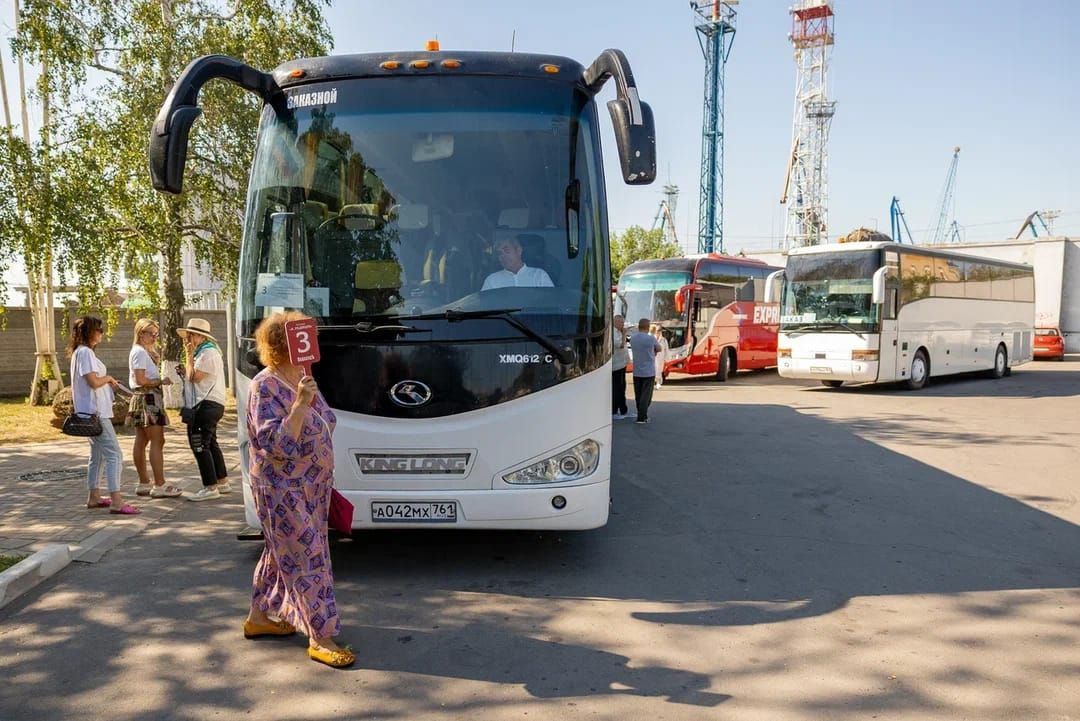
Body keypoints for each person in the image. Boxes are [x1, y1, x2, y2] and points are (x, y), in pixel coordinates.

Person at [244, 311, 354, 668]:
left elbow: (324, 423)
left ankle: (258, 618)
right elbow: (274, 444)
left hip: (312, 486)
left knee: (281, 552)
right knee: (308, 558)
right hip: (282, 489)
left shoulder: (301, 377)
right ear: (283, 344)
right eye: (302, 336)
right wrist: (300, 404)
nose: (312, 341)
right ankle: (320, 637)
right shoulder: (265, 385)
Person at [68, 316, 140, 515]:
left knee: (97, 456)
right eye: (99, 329)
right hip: (96, 413)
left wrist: (108, 383)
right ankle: (117, 501)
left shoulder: (80, 352)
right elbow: (93, 382)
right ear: (89, 332)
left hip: (89, 412)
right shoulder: (85, 352)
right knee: (115, 454)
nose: (102, 333)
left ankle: (94, 496)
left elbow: (91, 382)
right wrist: (107, 378)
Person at [128, 319, 182, 499]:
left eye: (156, 334)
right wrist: (160, 381)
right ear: (141, 333)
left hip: (142, 397)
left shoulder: (140, 351)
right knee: (157, 441)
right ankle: (159, 484)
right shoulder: (139, 352)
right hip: (149, 398)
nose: (154, 338)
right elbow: (140, 380)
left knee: (142, 440)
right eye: (151, 334)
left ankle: (144, 482)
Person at [178, 318, 230, 501]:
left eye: (190, 336)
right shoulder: (206, 352)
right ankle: (221, 481)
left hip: (205, 404)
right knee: (210, 442)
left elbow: (194, 377)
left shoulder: (207, 353)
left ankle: (210, 487)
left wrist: (189, 356)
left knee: (199, 444)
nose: (187, 340)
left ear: (200, 336)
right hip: (209, 404)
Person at [480, 236, 554, 290]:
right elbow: (485, 305)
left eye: (507, 250)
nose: (503, 256)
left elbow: (550, 301)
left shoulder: (539, 276)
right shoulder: (492, 280)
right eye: (499, 253)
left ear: (519, 250)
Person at [629, 318, 662, 424]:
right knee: (646, 396)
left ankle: (641, 414)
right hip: (648, 371)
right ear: (648, 327)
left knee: (638, 394)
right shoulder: (651, 338)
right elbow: (659, 348)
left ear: (639, 326)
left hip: (637, 371)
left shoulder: (633, 338)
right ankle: (642, 417)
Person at [611, 314, 630, 419]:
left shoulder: (619, 332)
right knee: (617, 388)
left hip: (622, 363)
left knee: (622, 387)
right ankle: (614, 411)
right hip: (616, 365)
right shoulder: (613, 332)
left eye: (623, 322)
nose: (623, 324)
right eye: (621, 322)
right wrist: (624, 334)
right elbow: (620, 345)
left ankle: (623, 410)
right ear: (615, 322)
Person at [651, 324, 670, 389]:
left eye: (659, 330)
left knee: (659, 370)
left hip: (660, 358)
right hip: (653, 357)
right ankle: (654, 383)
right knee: (653, 370)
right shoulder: (652, 338)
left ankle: (658, 383)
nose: (658, 331)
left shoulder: (664, 340)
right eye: (657, 330)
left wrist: (667, 359)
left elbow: (666, 349)